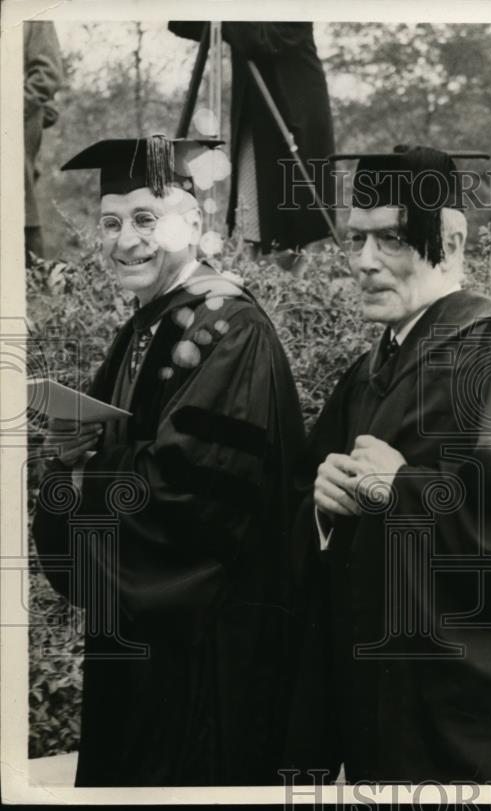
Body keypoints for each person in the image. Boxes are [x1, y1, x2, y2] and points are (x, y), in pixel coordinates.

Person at [293, 144, 491, 782]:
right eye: (357, 241)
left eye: (393, 241)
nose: (365, 263)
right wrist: (322, 504)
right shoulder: (371, 368)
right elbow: (320, 503)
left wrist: (401, 489)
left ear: (451, 241)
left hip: (454, 713)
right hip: (379, 694)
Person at [32, 135, 307, 786]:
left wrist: (86, 472)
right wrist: (66, 464)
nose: (125, 239)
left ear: (196, 223)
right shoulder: (146, 326)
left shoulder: (228, 328)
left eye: (146, 218)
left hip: (206, 649)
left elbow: (195, 492)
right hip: (146, 640)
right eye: (110, 222)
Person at [168, 22, 335, 263]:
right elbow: (187, 23)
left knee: (298, 224)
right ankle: (254, 280)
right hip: (255, 118)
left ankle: (299, 288)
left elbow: (255, 39)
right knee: (252, 222)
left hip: (294, 112)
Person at [23, 20, 63, 262]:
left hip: (14, 124)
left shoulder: (33, 15)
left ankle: (35, 288)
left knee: (20, 205)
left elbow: (47, 73)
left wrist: (11, 106)